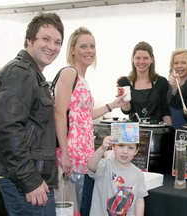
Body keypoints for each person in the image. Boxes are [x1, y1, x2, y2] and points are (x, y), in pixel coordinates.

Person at [0, 13, 64, 215]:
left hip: (28, 175)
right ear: (29, 40)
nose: (52, 46)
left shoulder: (30, 74)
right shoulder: (21, 72)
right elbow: (8, 128)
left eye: (57, 42)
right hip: (26, 179)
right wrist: (29, 180)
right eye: (45, 39)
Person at [54, 26, 127, 216]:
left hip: (85, 155)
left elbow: (84, 116)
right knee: (73, 208)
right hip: (72, 156)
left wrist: (113, 105)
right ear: (72, 50)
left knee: (82, 207)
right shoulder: (69, 73)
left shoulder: (82, 78)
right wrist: (65, 154)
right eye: (84, 46)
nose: (89, 51)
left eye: (92, 46)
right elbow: (60, 113)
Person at [87, 136, 148, 216]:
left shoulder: (138, 173)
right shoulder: (105, 165)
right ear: (113, 146)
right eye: (121, 146)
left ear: (136, 151)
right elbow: (91, 165)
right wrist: (103, 148)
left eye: (130, 148)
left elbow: (139, 200)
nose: (125, 151)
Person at [118, 41, 172, 125]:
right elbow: (126, 111)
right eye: (138, 58)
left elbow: (165, 111)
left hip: (157, 132)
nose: (141, 61)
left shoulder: (162, 82)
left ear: (152, 59)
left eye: (145, 58)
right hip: (134, 132)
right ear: (133, 59)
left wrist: (169, 131)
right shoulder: (124, 82)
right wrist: (124, 100)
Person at [168, 49, 187, 129]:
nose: (179, 66)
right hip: (171, 131)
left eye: (183, 63)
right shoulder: (168, 85)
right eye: (176, 63)